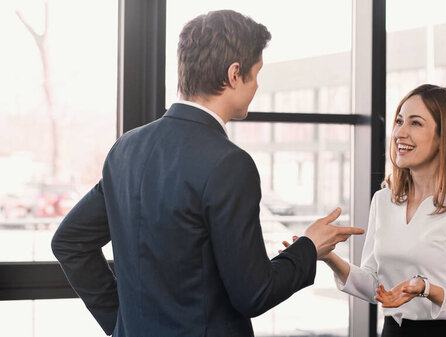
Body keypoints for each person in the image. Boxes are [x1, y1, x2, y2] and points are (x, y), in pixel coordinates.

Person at [51, 10, 364, 337]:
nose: (257, 86)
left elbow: (70, 242)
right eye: (256, 74)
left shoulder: (126, 149)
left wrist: (121, 324)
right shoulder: (229, 163)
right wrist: (310, 247)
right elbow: (254, 294)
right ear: (234, 74)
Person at [285, 84, 446, 336]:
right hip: (392, 331)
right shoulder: (384, 200)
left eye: (415, 123)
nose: (399, 133)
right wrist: (329, 257)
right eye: (399, 121)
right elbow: (374, 283)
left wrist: (426, 289)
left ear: (444, 137)